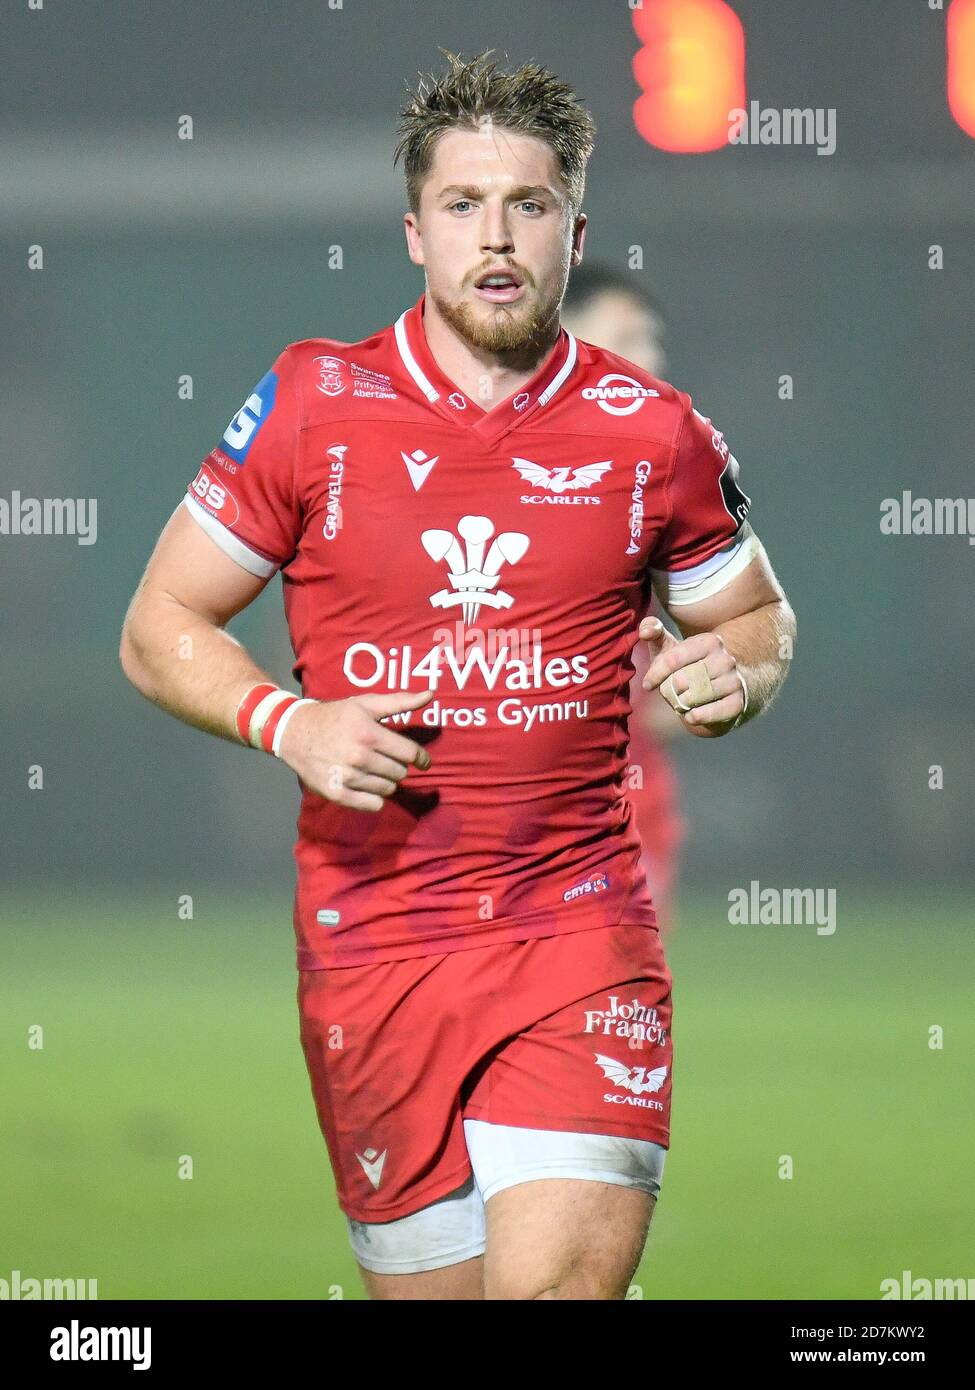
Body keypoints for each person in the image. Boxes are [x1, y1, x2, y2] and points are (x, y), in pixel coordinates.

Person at [119, 49, 796, 1301]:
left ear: (572, 230)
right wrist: (292, 720)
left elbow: (755, 614)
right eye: (464, 205)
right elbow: (159, 623)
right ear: (415, 234)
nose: (497, 236)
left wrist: (736, 674)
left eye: (528, 205)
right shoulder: (313, 403)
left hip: (577, 925)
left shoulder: (656, 431)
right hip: (372, 952)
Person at [561, 266, 684, 930]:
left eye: (653, 340)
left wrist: (718, 680)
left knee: (607, 1024)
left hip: (621, 798)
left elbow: (726, 638)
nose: (651, 359)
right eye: (629, 338)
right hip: (481, 807)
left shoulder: (671, 477)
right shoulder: (464, 464)